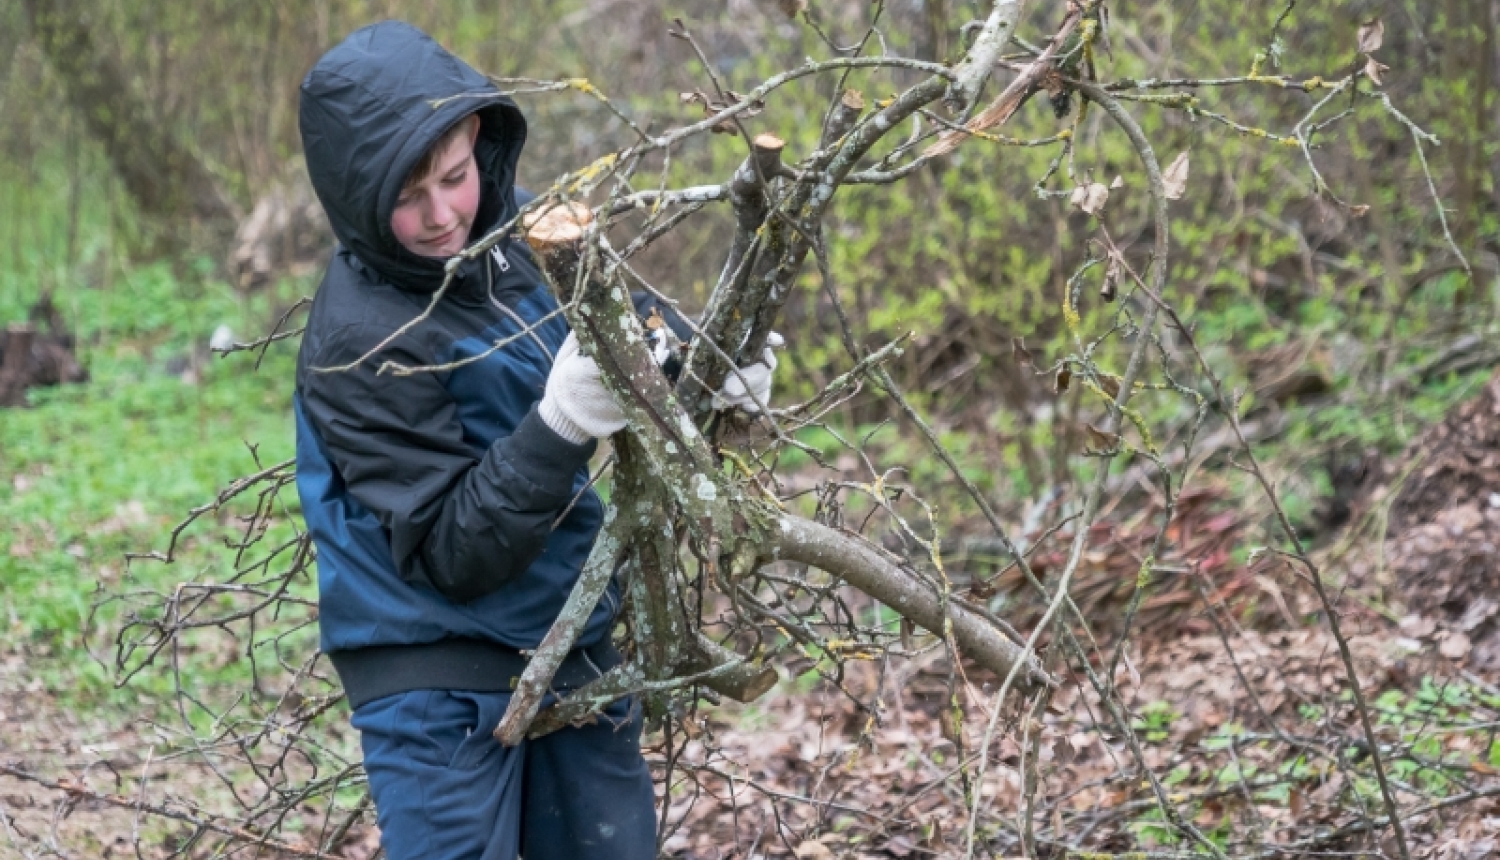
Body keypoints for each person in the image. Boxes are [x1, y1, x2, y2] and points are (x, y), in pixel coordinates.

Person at [293, 20, 776, 860]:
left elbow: (638, 336)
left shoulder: (524, 235)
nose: (443, 215)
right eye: (408, 200)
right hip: (431, 674)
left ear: (476, 138)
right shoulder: (357, 345)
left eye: (452, 179)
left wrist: (711, 376)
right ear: (355, 198)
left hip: (568, 635)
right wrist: (561, 425)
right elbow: (452, 551)